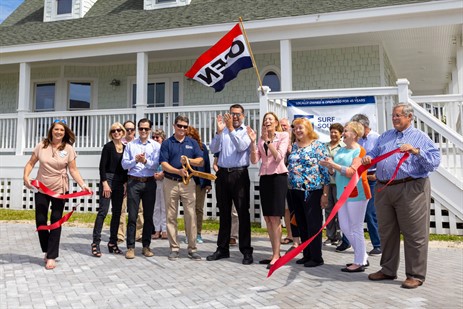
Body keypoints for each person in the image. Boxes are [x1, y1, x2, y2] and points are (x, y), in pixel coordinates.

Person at [362, 102, 440, 289]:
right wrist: (368, 158)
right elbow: (374, 153)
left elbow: (434, 162)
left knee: (414, 233)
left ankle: (415, 274)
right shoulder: (386, 136)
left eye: (398, 115)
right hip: (384, 188)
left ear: (409, 117)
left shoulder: (420, 137)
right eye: (393, 115)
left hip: (411, 188)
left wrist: (415, 151)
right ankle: (388, 269)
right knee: (387, 232)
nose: (395, 118)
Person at [23, 120, 92, 270]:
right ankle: (47, 249)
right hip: (41, 188)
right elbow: (30, 163)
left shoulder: (68, 149)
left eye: (62, 130)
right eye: (56, 129)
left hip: (60, 189)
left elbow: (73, 170)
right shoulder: (42, 145)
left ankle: (51, 256)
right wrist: (26, 177)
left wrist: (83, 185)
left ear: (65, 132)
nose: (59, 132)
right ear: (51, 131)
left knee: (56, 220)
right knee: (40, 220)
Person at [321, 121, 371, 272]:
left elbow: (351, 172)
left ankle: (359, 261)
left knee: (356, 227)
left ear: (355, 134)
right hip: (342, 193)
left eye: (347, 131)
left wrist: (334, 165)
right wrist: (329, 167)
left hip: (357, 192)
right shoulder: (341, 151)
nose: (343, 133)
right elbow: (335, 173)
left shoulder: (360, 151)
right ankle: (362, 256)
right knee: (344, 226)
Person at [207, 104, 254, 265]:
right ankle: (222, 248)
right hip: (222, 174)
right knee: (224, 213)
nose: (234, 117)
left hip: (239, 174)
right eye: (232, 114)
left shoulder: (247, 131)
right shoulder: (224, 131)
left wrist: (230, 130)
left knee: (242, 213)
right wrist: (219, 133)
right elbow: (213, 148)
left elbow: (241, 147)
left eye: (237, 114)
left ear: (243, 115)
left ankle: (246, 250)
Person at [248, 112, 289, 269]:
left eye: (270, 119)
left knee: (276, 217)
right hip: (264, 177)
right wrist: (253, 143)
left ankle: (277, 254)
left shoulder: (283, 136)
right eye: (265, 120)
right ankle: (274, 252)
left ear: (276, 122)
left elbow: (279, 157)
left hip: (278, 177)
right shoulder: (261, 138)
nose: (267, 122)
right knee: (268, 218)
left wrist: (269, 141)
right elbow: (254, 160)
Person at [159, 115, 204, 261]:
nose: (182, 129)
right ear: (174, 126)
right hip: (170, 181)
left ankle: (192, 248)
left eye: (185, 126)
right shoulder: (167, 143)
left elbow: (201, 160)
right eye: (180, 126)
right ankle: (174, 248)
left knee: (190, 215)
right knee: (171, 216)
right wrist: (178, 171)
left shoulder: (192, 142)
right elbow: (164, 164)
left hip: (188, 183)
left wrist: (188, 160)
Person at [287, 117, 330, 268]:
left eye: (301, 128)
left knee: (313, 224)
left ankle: (317, 257)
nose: (297, 130)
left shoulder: (318, 146)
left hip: (313, 191)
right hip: (295, 190)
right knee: (302, 224)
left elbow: (325, 173)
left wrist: (325, 194)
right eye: (295, 128)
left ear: (308, 130)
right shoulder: (294, 146)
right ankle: (307, 254)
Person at [121, 118, 160, 259]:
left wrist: (145, 161)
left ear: (150, 130)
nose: (143, 131)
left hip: (149, 182)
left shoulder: (155, 145)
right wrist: (135, 160)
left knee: (148, 216)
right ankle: (130, 247)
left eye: (146, 129)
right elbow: (124, 165)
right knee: (132, 215)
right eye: (141, 128)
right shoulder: (131, 145)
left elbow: (156, 164)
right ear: (138, 129)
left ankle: (146, 246)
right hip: (134, 182)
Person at [91, 122, 128, 257]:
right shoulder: (108, 147)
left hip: (120, 182)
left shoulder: (125, 148)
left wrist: (125, 183)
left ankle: (113, 242)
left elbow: (125, 168)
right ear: (110, 133)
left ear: (122, 132)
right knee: (103, 211)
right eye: (113, 131)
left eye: (119, 130)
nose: (116, 132)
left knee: (117, 213)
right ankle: (95, 243)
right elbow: (102, 167)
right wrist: (105, 183)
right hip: (108, 180)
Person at [351, 113, 382, 256]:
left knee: (370, 212)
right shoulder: (357, 141)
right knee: (355, 212)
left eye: (357, 127)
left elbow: (382, 156)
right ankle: (349, 242)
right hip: (359, 178)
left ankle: (378, 244)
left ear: (364, 126)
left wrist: (378, 174)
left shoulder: (377, 138)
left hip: (373, 178)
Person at [118, 120, 144, 243]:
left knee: (139, 209)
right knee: (121, 208)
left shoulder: (138, 144)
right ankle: (120, 235)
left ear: (135, 130)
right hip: (123, 180)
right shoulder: (119, 143)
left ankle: (138, 234)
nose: (129, 132)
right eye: (127, 129)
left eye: (132, 129)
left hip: (136, 179)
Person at [186, 126, 212, 244]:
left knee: (199, 209)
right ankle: (189, 234)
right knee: (189, 209)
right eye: (187, 137)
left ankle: (198, 233)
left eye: (191, 137)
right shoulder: (184, 148)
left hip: (200, 182)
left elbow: (207, 165)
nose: (189, 139)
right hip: (187, 181)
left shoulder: (203, 148)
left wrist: (208, 183)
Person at [323, 123, 345, 247]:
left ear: (341, 134)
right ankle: (330, 236)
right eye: (331, 132)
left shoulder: (343, 147)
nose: (333, 134)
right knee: (328, 209)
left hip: (339, 182)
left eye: (335, 132)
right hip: (327, 182)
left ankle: (340, 236)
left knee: (339, 210)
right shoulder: (325, 146)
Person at [213, 153, 239, 245]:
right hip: (222, 179)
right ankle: (225, 236)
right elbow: (215, 164)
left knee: (234, 211)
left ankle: (233, 236)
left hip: (235, 178)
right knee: (224, 210)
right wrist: (219, 173)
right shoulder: (219, 149)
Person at [279, 118, 294, 246]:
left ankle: (299, 236)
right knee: (286, 209)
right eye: (281, 125)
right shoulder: (278, 139)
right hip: (283, 178)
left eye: (285, 125)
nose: (283, 127)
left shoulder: (296, 140)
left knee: (295, 209)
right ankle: (289, 234)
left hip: (296, 180)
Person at [151, 129, 167, 240]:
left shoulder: (165, 149)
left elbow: (171, 163)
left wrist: (163, 173)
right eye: (154, 137)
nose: (156, 139)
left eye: (158, 137)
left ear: (163, 138)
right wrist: (154, 174)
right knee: (156, 206)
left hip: (165, 179)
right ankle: (157, 229)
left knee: (165, 206)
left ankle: (165, 230)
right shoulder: (151, 150)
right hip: (154, 180)